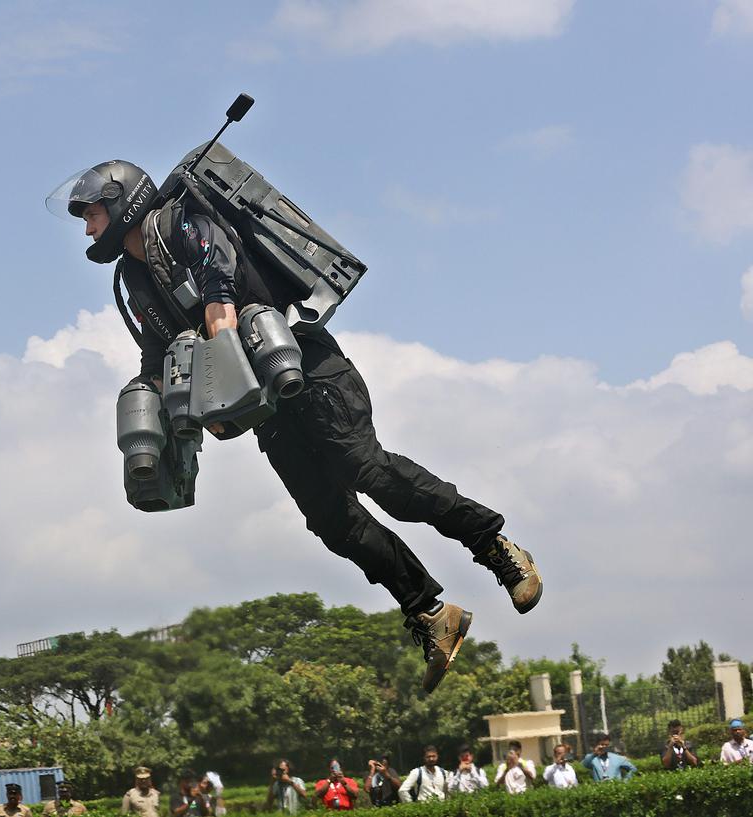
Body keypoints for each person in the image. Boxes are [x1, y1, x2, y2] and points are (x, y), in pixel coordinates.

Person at [46, 158, 543, 693]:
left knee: (371, 474)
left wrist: (212, 390)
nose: (88, 226)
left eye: (92, 212)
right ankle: (430, 614)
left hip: (307, 370)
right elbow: (160, 354)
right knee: (331, 519)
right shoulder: (133, 277)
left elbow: (221, 307)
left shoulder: (188, 224)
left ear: (124, 203)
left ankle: (494, 546)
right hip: (264, 405)